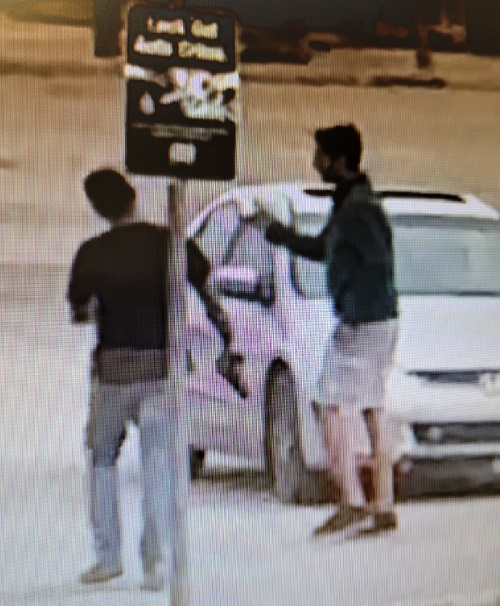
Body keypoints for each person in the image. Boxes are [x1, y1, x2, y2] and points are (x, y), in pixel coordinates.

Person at [266, 124, 399, 536]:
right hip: (377, 318)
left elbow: (374, 260)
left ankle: (352, 501)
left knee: (332, 404)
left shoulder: (357, 206)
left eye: (321, 155)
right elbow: (325, 249)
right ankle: (381, 503)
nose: (315, 163)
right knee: (370, 406)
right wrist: (276, 232)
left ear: (338, 160)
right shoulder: (353, 201)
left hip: (362, 320)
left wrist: (349, 295)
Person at [68, 168, 186, 590]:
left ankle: (107, 556)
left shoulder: (93, 252)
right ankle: (155, 562)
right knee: (158, 459)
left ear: (98, 210)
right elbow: (200, 274)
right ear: (134, 197)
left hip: (113, 369)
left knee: (101, 458)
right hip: (160, 366)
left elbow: (79, 310)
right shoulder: (165, 241)